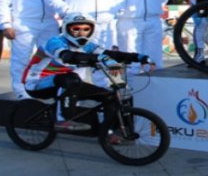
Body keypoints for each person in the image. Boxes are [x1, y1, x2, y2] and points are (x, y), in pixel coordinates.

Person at [22, 13, 154, 131]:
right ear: (66, 29)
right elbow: (68, 56)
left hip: (65, 84)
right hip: (36, 83)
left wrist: (139, 57)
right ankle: (62, 119)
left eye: (86, 29)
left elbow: (109, 54)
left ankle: (109, 133)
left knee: (109, 96)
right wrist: (98, 59)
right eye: (76, 29)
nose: (81, 33)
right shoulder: (55, 41)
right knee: (71, 78)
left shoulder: (87, 45)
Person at [47, 0, 126, 87]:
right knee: (78, 65)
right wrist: (68, 12)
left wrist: (112, 13)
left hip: (103, 27)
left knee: (103, 62)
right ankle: (75, 100)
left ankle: (103, 97)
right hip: (79, 28)